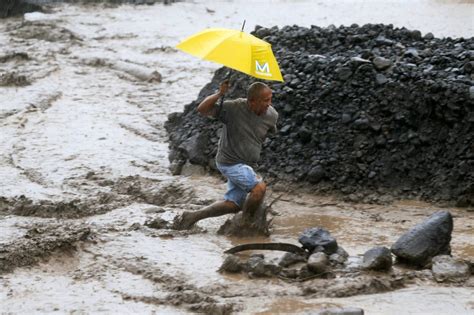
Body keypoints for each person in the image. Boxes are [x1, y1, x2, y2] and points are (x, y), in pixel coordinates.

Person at [173, 80, 278, 230]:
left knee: (233, 205)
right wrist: (220, 94)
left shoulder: (271, 115)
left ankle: (192, 216)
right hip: (230, 162)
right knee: (259, 188)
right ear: (252, 101)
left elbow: (268, 132)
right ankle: (245, 225)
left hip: (247, 165)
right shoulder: (233, 108)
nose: (269, 104)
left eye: (270, 99)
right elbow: (202, 109)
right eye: (265, 100)